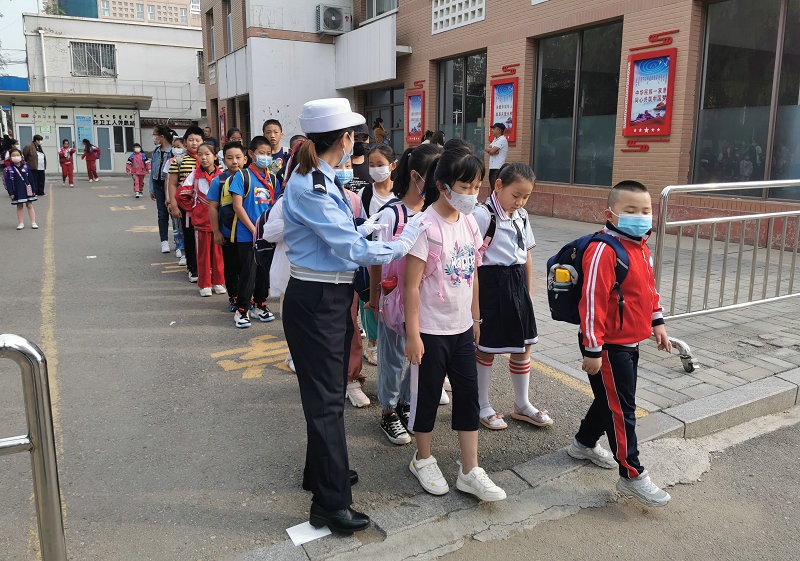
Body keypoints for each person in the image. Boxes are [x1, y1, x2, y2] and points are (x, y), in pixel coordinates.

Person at [282, 98, 430, 534]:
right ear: (344, 139)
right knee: (326, 401)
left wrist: (367, 227)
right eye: (354, 137)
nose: (356, 145)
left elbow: (340, 234)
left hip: (324, 295)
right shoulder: (314, 186)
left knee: (325, 395)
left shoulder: (320, 177)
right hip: (318, 299)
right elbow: (351, 250)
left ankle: (321, 473)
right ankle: (330, 505)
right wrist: (403, 240)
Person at [404, 144, 506, 502]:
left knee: (467, 396)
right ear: (443, 185)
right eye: (465, 186)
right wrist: (412, 335)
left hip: (461, 328)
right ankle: (423, 459)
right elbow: (411, 286)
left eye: (476, 186)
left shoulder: (469, 222)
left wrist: (475, 317)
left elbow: (473, 272)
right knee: (427, 397)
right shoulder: (423, 226)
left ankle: (470, 469)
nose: (472, 194)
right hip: (429, 331)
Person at [567, 180, 673, 508]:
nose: (640, 217)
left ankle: (583, 444)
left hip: (628, 342)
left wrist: (657, 321)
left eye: (645, 211)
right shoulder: (604, 250)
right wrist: (592, 350)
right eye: (631, 210)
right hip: (608, 346)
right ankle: (631, 474)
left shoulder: (639, 246)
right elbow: (592, 303)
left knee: (610, 400)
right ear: (610, 214)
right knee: (622, 409)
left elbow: (648, 289)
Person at [369, 143, 442, 444]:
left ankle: (406, 401)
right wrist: (374, 296)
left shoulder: (433, 213)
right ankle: (388, 411)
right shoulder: (392, 214)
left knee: (420, 354)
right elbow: (376, 258)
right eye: (434, 177)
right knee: (392, 357)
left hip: (426, 300)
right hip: (394, 298)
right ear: (416, 176)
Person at [472, 163, 550, 430]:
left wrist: (528, 293)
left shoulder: (522, 215)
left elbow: (526, 255)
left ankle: (522, 404)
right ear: (499, 185)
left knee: (524, 345)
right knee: (485, 348)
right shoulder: (482, 215)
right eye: (516, 195)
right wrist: (474, 311)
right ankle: (482, 404)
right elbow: (473, 261)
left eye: (526, 196)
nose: (520, 202)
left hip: (517, 285)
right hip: (491, 285)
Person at [229, 136, 280, 328]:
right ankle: (242, 310)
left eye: (269, 154)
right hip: (247, 235)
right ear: (251, 154)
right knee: (248, 273)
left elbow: (276, 207)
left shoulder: (272, 179)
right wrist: (254, 229)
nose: (265, 157)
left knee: (264, 272)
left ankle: (260, 305)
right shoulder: (242, 176)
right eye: (261, 153)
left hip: (267, 235)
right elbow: (237, 206)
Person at [332, 157, 370, 407]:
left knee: (351, 326)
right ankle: (330, 377)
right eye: (339, 166)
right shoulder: (318, 196)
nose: (344, 172)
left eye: (348, 167)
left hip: (350, 272)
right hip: (323, 274)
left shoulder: (355, 199)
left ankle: (351, 378)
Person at [357, 144, 397, 365]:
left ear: (392, 166)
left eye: (380, 164)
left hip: (395, 255)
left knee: (393, 297)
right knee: (371, 296)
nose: (375, 169)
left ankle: (393, 339)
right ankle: (372, 343)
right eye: (371, 165)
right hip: (370, 255)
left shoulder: (401, 193)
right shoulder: (364, 194)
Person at [181, 142, 225, 297]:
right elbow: (181, 195)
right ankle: (205, 283)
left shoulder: (222, 175)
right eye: (200, 155)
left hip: (219, 223)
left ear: (215, 156)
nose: (204, 158)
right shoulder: (194, 175)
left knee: (219, 255)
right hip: (201, 223)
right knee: (203, 256)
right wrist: (194, 210)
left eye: (207, 154)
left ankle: (218, 282)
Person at [209, 141, 247, 312]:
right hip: (228, 233)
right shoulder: (219, 181)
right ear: (223, 160)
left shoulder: (250, 178)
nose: (234, 161)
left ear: (245, 159)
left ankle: (247, 297)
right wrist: (216, 231)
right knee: (231, 267)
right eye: (230, 158)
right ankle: (234, 297)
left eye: (238, 157)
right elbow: (212, 207)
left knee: (247, 268)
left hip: (247, 233)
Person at [167, 127, 204, 282]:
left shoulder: (209, 158)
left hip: (205, 207)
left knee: (205, 237)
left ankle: (206, 267)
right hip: (187, 207)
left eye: (198, 140)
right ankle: (193, 268)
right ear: (185, 142)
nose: (194, 143)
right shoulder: (178, 160)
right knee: (189, 237)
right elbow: (172, 184)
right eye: (191, 140)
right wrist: (174, 205)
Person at [150, 126, 174, 254]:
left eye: (155, 135)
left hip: (171, 185)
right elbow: (152, 171)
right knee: (162, 214)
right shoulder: (156, 151)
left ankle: (178, 242)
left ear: (162, 136)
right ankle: (164, 241)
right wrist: (151, 189)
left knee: (174, 213)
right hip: (158, 185)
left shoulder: (173, 151)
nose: (153, 138)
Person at [4, 147, 38, 230]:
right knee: (19, 206)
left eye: (17, 155)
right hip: (17, 190)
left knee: (29, 205)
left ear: (21, 156)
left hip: (27, 190)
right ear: (10, 158)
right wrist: (11, 193)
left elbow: (31, 179)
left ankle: (33, 222)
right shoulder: (9, 169)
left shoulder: (26, 167)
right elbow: (8, 182)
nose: (16, 157)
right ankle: (21, 223)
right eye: (13, 155)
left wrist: (33, 189)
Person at [347, 123, 372, 193]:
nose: (361, 143)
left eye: (364, 139)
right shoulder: (339, 162)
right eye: (356, 139)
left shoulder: (372, 161)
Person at [262, 119, 288, 184]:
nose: (272, 136)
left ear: (281, 134)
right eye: (268, 132)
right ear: (263, 135)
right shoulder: (260, 155)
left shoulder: (287, 153)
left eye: (276, 132)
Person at [485, 123, 509, 187]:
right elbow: (486, 148)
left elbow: (492, 151)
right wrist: (492, 151)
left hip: (498, 168)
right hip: (493, 167)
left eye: (493, 129)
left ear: (499, 130)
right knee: (493, 187)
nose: (492, 130)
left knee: (495, 188)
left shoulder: (502, 140)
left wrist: (492, 151)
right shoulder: (495, 140)